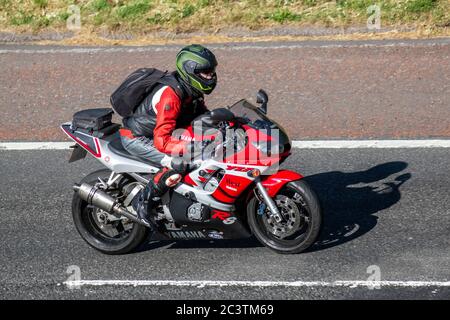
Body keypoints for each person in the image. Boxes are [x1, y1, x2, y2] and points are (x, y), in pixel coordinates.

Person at [119, 44, 218, 226]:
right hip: (138, 138)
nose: (211, 76)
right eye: (205, 72)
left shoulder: (192, 91)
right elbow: (161, 141)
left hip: (163, 133)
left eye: (212, 71)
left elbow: (200, 117)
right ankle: (143, 202)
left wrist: (223, 122)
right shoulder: (171, 96)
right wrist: (186, 148)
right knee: (180, 163)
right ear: (190, 71)